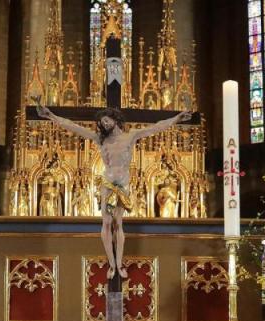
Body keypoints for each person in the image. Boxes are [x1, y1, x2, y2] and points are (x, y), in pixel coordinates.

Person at [34, 97, 191, 279]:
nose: (104, 123)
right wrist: (52, 116)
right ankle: (111, 263)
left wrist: (177, 118)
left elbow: (156, 127)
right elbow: (74, 127)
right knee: (107, 223)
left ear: (115, 119)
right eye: (101, 122)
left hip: (122, 184)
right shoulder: (102, 140)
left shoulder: (130, 136)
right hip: (108, 183)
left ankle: (119, 263)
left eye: (106, 120)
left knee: (118, 223)